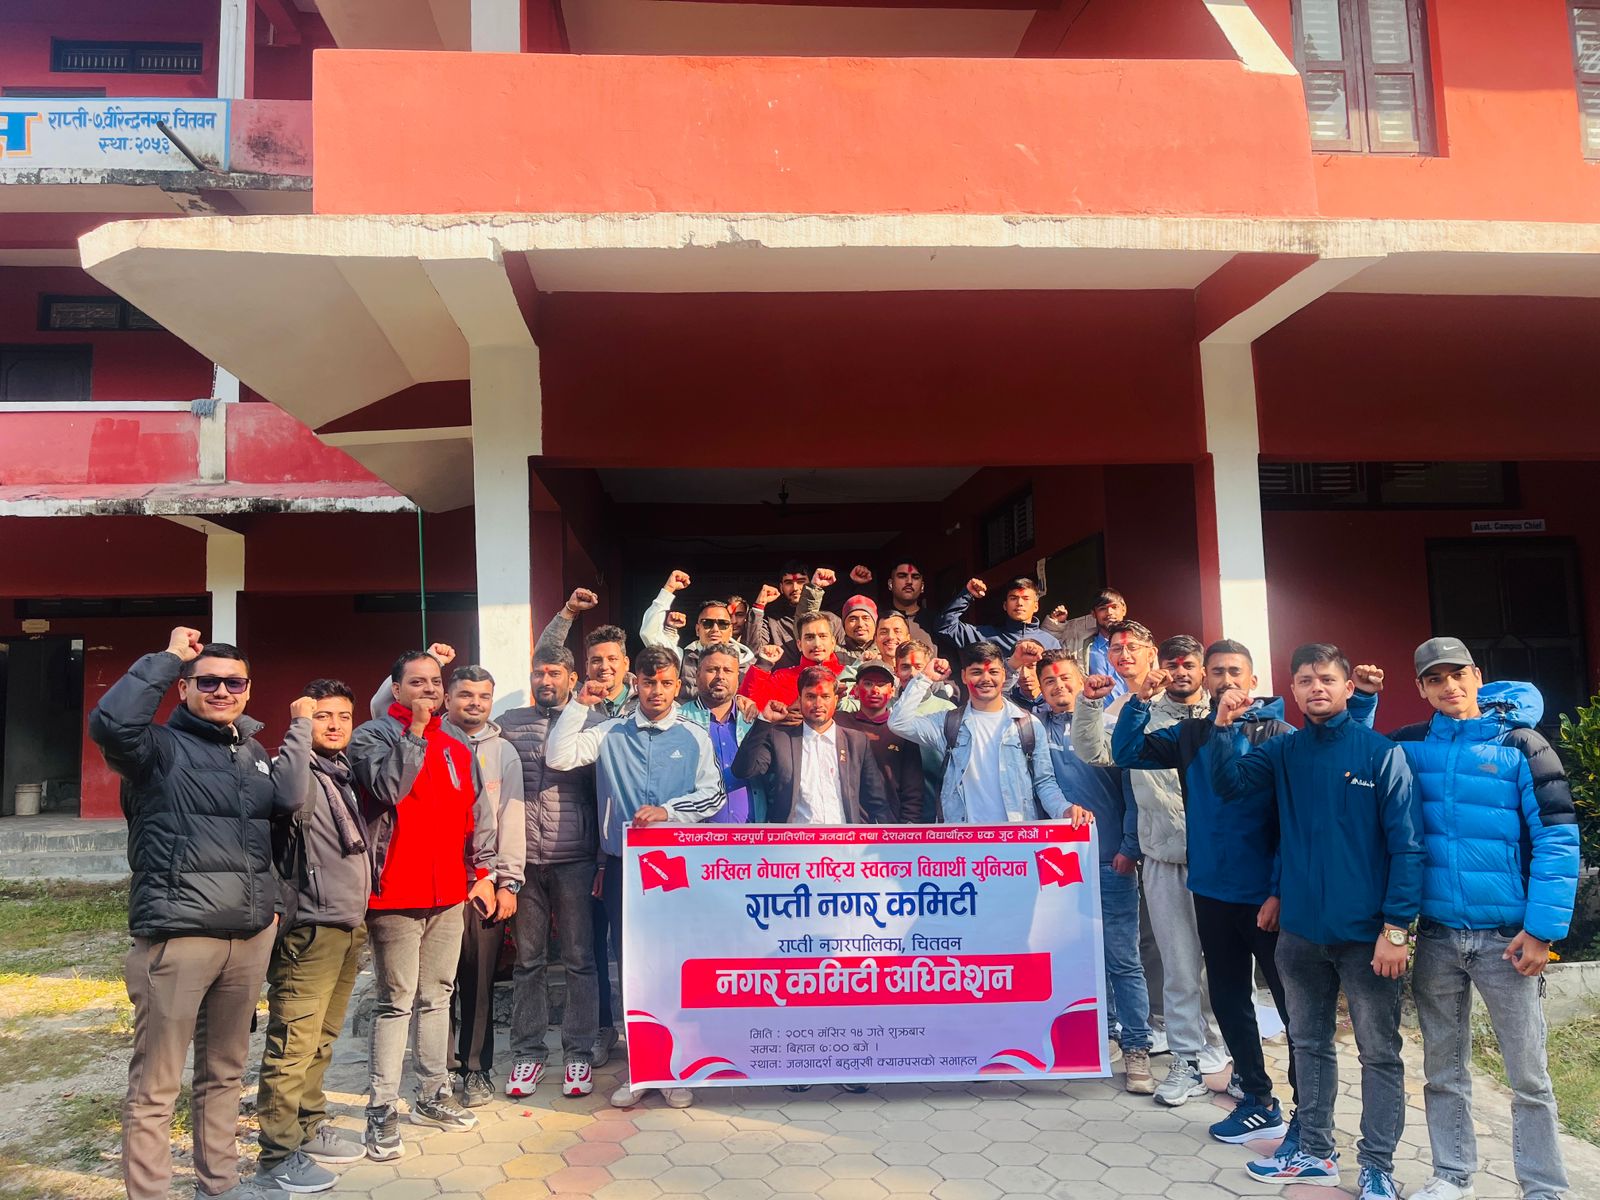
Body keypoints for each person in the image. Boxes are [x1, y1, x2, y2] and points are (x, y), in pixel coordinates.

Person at [89, 628, 307, 1200]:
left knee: (225, 1074)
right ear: (183, 687)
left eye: (234, 683)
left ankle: (220, 1185)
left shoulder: (252, 754)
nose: (221, 691)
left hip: (248, 938)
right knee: (156, 1086)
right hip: (180, 936)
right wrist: (167, 658)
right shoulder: (155, 750)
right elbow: (111, 724)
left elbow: (274, 828)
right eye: (207, 681)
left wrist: (273, 909)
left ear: (248, 690)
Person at [1210, 644, 1422, 1200]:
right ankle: (1314, 1152)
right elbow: (1230, 786)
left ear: (1348, 687)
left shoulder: (1381, 753)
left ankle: (1377, 1166)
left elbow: (1407, 846)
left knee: (1379, 1053)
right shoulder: (1285, 751)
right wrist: (1224, 727)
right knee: (1308, 1044)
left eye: (1326, 679)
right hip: (1301, 932)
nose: (1316, 688)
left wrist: (1396, 929)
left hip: (1367, 935)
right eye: (1304, 680)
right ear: (1294, 690)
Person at [1389, 638, 1580, 1200]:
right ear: (1421, 688)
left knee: (1528, 1075)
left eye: (1457, 674)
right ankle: (1451, 1175)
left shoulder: (1522, 744)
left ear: (1477, 676)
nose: (1449, 686)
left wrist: (1541, 931)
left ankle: (1543, 1187)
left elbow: (1558, 839)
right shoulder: (1409, 745)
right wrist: (1363, 703)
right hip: (1438, 935)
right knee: (1443, 1070)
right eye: (1435, 679)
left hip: (1508, 940)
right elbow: (1350, 760)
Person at [546, 645, 725, 1111]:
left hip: (676, 866)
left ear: (678, 686)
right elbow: (559, 756)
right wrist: (579, 705)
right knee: (633, 968)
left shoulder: (694, 736)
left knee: (673, 966)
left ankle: (676, 1069)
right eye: (648, 683)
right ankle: (643, 1069)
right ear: (636, 684)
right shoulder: (610, 731)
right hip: (624, 866)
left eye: (665, 683)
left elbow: (714, 796)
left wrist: (670, 811)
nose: (657, 692)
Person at [1072, 625, 1232, 1105]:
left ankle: (1230, 1053)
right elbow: (1094, 751)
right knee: (1179, 965)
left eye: (1189, 664)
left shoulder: (1227, 714)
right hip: (1165, 856)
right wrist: (1090, 704)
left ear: (1202, 671)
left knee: (1226, 966)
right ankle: (1186, 1060)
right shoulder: (1136, 714)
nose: (1180, 672)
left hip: (1226, 861)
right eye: (1172, 664)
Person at [348, 650, 497, 1161]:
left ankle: (433, 1093)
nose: (429, 690)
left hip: (448, 893)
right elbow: (388, 788)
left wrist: (481, 874)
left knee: (438, 995)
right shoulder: (372, 736)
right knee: (396, 1001)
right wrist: (413, 732)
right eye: (418, 682)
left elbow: (475, 816)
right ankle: (381, 1109)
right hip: (394, 892)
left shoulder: (455, 745)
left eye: (435, 682)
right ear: (395, 690)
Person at [256, 680, 371, 1194]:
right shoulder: (296, 769)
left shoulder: (339, 772)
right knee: (292, 1045)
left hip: (346, 925)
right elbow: (285, 797)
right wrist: (298, 725)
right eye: (323, 715)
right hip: (310, 929)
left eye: (343, 716)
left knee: (322, 1039)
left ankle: (308, 1126)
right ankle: (278, 1155)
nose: (335, 725)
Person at [1035, 650, 1153, 1095]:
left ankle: (1137, 1045)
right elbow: (1043, 784)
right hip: (1060, 864)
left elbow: (1133, 791)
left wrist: (1129, 847)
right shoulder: (1034, 729)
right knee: (1080, 955)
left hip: (1110, 859)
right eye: (1049, 681)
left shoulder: (1112, 724)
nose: (1059, 687)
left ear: (1082, 679)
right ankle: (1103, 1037)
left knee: (1122, 959)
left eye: (1065, 678)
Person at [497, 646, 608, 1099]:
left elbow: (604, 793)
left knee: (580, 959)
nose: (546, 680)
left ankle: (579, 1052)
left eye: (555, 672)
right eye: (538, 672)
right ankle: (528, 1052)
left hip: (575, 858)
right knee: (529, 961)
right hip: (523, 858)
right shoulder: (509, 723)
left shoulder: (594, 722)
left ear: (572, 678)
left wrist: (601, 859)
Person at [438, 664, 526, 1109]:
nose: (475, 703)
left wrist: (508, 882)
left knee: (478, 983)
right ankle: (439, 1070)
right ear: (447, 698)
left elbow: (511, 818)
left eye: (483, 696)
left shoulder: (503, 752)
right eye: (465, 694)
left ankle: (476, 1069)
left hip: (484, 883)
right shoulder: (427, 741)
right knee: (435, 986)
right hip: (435, 881)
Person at [888, 641, 1069, 823]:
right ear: (964, 676)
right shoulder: (948, 723)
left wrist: (1063, 809)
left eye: (993, 672)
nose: (985, 679)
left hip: (1015, 834)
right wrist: (925, 678)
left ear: (1004, 675)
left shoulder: (1028, 725)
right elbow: (898, 723)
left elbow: (1044, 782)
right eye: (976, 672)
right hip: (962, 835)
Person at [731, 666, 897, 826]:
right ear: (800, 699)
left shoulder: (856, 741)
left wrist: (893, 840)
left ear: (836, 699)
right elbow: (743, 770)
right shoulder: (779, 738)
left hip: (844, 840)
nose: (818, 704)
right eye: (810, 696)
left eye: (825, 696)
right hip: (793, 840)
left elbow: (877, 800)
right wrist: (764, 722)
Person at [678, 645, 766, 824]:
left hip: (753, 834)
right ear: (697, 675)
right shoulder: (678, 721)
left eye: (728, 670)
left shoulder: (754, 721)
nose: (720, 676)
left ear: (737, 676)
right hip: (695, 834)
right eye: (712, 670)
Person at [639, 569, 755, 699]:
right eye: (707, 623)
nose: (715, 629)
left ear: (731, 630)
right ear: (697, 629)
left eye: (723, 624)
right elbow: (649, 633)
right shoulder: (681, 658)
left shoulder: (748, 662)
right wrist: (668, 590)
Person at [837, 663, 927, 823]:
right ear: (855, 690)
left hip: (890, 824)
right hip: (843, 821)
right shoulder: (838, 722)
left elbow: (913, 787)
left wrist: (908, 826)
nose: (875, 690)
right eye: (868, 683)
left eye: (881, 684)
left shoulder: (902, 730)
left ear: (892, 691)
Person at [537, 588, 637, 717]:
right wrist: (569, 610)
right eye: (596, 660)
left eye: (612, 659)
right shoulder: (573, 697)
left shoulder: (645, 696)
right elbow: (544, 657)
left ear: (626, 663)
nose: (604, 666)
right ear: (587, 667)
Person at [738, 612, 846, 711]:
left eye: (823, 636)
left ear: (833, 642)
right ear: (799, 645)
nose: (817, 644)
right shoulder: (782, 678)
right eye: (809, 637)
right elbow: (747, 706)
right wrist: (763, 664)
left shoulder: (848, 676)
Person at [894, 640, 955, 813]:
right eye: (905, 667)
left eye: (919, 667)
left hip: (937, 807)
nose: (913, 674)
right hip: (895, 810)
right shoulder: (887, 709)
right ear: (895, 670)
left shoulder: (947, 710)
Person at [935, 576, 1061, 657]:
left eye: (1026, 598)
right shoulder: (985, 636)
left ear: (1036, 606)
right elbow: (945, 627)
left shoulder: (1051, 643)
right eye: (1013, 598)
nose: (1019, 603)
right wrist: (967, 594)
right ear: (1005, 606)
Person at [1044, 588, 1129, 696]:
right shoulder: (1078, 645)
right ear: (1093, 613)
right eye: (1102, 608)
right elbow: (1047, 645)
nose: (1109, 612)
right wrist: (1055, 624)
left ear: (1124, 609)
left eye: (1114, 607)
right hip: (1094, 706)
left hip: (1134, 705)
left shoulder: (1140, 644)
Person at [747, 561, 843, 655]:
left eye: (801, 582)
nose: (795, 588)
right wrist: (759, 605)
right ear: (781, 587)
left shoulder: (831, 620)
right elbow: (754, 652)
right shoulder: (771, 621)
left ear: (811, 582)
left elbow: (844, 655)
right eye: (789, 583)